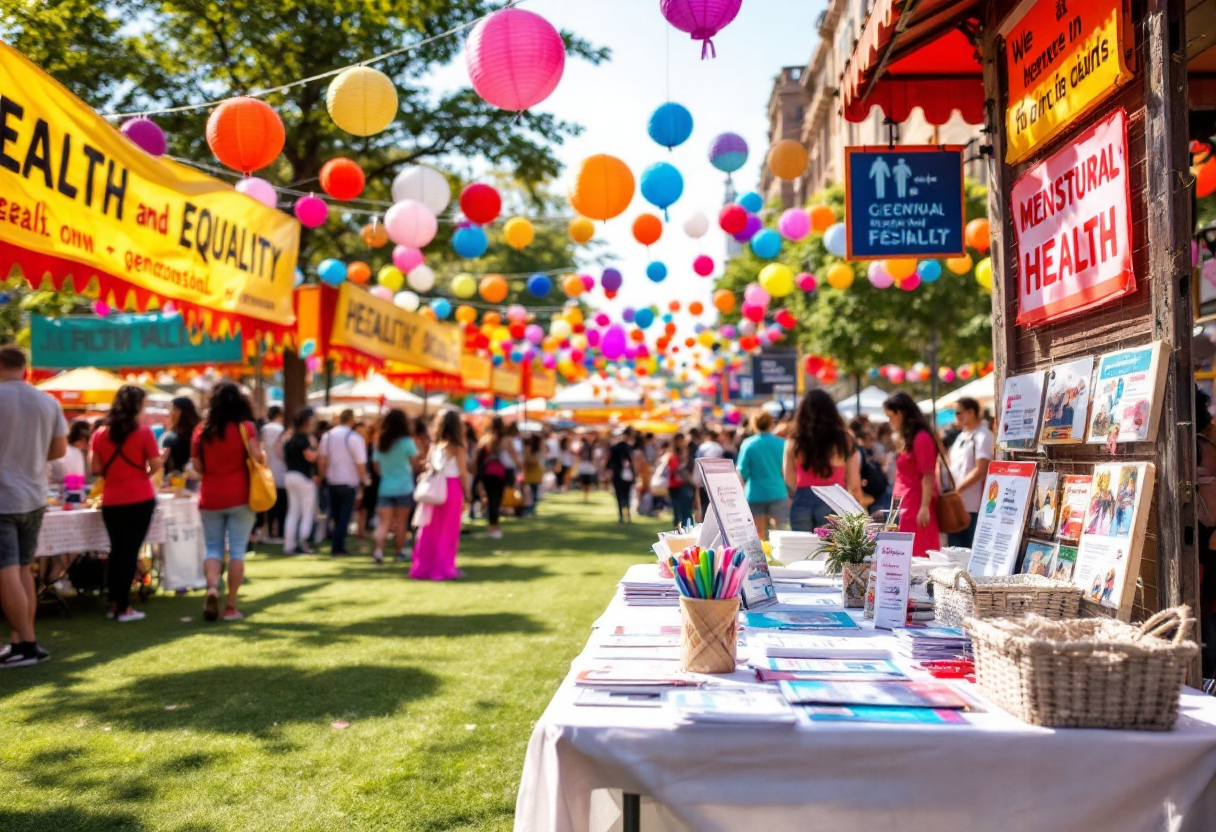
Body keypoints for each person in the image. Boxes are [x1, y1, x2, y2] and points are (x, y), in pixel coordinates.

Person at [0, 346, 65, 667]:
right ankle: (22, 641)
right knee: (23, 568)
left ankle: (26, 644)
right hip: (35, 496)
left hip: (4, 498)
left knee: (7, 569)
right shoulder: (48, 400)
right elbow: (58, 450)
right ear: (25, 367)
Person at [192, 381, 264, 621]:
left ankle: (212, 587)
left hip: (210, 496)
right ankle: (231, 606)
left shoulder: (201, 431)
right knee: (237, 552)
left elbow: (198, 467)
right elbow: (258, 458)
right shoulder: (246, 428)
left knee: (212, 548)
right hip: (240, 496)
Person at [90, 385, 162, 623]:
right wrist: (142, 473)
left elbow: (96, 469)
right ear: (137, 407)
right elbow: (156, 465)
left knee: (117, 551)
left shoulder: (100, 433)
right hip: (139, 497)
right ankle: (124, 607)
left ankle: (114, 604)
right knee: (130, 552)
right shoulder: (144, 433)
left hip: (112, 500)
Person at [785, 391, 864, 532]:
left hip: (802, 499)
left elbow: (788, 478)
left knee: (801, 551)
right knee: (831, 551)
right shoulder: (845, 439)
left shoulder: (794, 440)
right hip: (834, 500)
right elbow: (855, 483)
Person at [412, 411, 471, 581]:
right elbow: (463, 473)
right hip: (451, 488)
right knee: (448, 530)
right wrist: (467, 493)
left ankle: (424, 566)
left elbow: (429, 466)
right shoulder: (457, 447)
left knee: (430, 530)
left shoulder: (435, 446)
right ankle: (444, 567)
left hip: (434, 489)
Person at [883, 392, 940, 558]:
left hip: (916, 506)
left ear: (901, 413)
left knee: (916, 556)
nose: (889, 421)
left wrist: (924, 507)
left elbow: (928, 475)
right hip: (904, 505)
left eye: (890, 416)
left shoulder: (921, 438)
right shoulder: (908, 438)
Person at [318, 409, 368, 555]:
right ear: (351, 420)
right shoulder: (354, 437)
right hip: (348, 481)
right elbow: (360, 463)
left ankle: (336, 543)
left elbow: (322, 459)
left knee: (334, 514)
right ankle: (338, 545)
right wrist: (364, 480)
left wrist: (322, 476)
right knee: (344, 515)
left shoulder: (327, 436)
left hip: (332, 479)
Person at [946, 396, 994, 548]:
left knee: (968, 550)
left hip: (972, 505)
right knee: (953, 551)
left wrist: (957, 490)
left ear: (970, 412)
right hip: (956, 504)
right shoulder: (962, 436)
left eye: (959, 413)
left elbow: (981, 470)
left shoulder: (983, 435)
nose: (956, 417)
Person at [372, 408, 418, 565]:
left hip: (385, 487)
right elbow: (414, 463)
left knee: (384, 523)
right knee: (401, 523)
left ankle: (378, 552)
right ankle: (399, 553)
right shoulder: (407, 442)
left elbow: (376, 466)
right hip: (404, 487)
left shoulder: (380, 441)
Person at [736, 412, 790, 537]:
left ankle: (763, 555)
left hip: (755, 492)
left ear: (754, 425)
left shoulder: (748, 444)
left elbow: (742, 470)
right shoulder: (782, 443)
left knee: (759, 535)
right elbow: (786, 469)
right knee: (780, 532)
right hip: (778, 490)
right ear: (771, 424)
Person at [1195, 388, 1216, 679]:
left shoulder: (1198, 446)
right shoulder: (1204, 444)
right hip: (1206, 537)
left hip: (1202, 537)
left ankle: (1208, 672)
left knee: (1205, 609)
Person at [283, 408, 319, 556]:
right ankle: (303, 541)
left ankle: (289, 545)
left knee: (293, 512)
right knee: (306, 512)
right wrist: (319, 450)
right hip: (303, 477)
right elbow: (310, 456)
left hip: (290, 476)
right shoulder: (303, 439)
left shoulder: (288, 439)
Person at [475, 416, 518, 540]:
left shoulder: (484, 439)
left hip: (487, 473)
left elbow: (478, 456)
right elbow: (514, 456)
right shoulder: (506, 440)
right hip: (500, 473)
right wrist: (519, 468)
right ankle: (494, 526)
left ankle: (492, 525)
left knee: (491, 499)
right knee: (496, 500)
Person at [259, 406, 287, 543]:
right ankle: (280, 533)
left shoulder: (263, 429)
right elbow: (281, 451)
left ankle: (269, 532)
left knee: (270, 506)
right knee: (282, 506)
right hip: (281, 471)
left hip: (267, 471)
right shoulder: (281, 430)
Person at [160, 397, 200, 491]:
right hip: (198, 485)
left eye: (171, 409)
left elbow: (166, 466)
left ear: (178, 411)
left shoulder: (170, 438)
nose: (169, 413)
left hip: (175, 485)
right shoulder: (200, 434)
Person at [605, 427, 636, 523]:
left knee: (619, 495)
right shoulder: (630, 448)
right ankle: (627, 515)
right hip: (628, 475)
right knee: (627, 495)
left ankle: (621, 515)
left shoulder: (615, 447)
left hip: (617, 474)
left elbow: (609, 462)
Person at [665, 432, 695, 528]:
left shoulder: (683, 454)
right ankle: (681, 529)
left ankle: (684, 528)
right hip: (677, 485)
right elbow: (676, 470)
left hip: (681, 485)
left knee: (683, 510)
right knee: (680, 510)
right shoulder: (673, 455)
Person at [631, 432, 654, 517]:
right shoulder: (639, 452)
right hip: (643, 475)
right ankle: (640, 510)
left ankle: (640, 509)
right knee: (641, 491)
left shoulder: (635, 452)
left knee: (640, 492)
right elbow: (638, 465)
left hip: (642, 474)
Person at [522, 434, 544, 516]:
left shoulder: (534, 450)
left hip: (533, 473)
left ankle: (530, 508)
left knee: (532, 491)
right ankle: (529, 508)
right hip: (531, 473)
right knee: (530, 491)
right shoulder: (530, 449)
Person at [575, 437, 597, 502]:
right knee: (586, 482)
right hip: (587, 466)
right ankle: (585, 496)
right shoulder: (588, 448)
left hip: (586, 466)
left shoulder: (584, 448)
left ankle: (585, 496)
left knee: (585, 482)